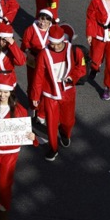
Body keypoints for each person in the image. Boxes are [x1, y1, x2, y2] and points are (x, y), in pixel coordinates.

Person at [0, 80, 35, 220]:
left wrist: (33, 137)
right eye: (0, 91)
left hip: (10, 152)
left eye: (5, 92)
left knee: (4, 184)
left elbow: (26, 131)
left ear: (11, 92)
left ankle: (4, 208)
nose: (2, 95)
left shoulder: (19, 109)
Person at [30, 25, 87, 160]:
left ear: (63, 40)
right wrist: (35, 96)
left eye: (57, 44)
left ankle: (65, 133)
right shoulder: (44, 54)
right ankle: (53, 148)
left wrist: (72, 77)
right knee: (51, 123)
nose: (54, 47)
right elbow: (38, 76)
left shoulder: (74, 50)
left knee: (68, 121)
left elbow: (82, 68)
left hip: (68, 92)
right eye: (52, 44)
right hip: (50, 94)